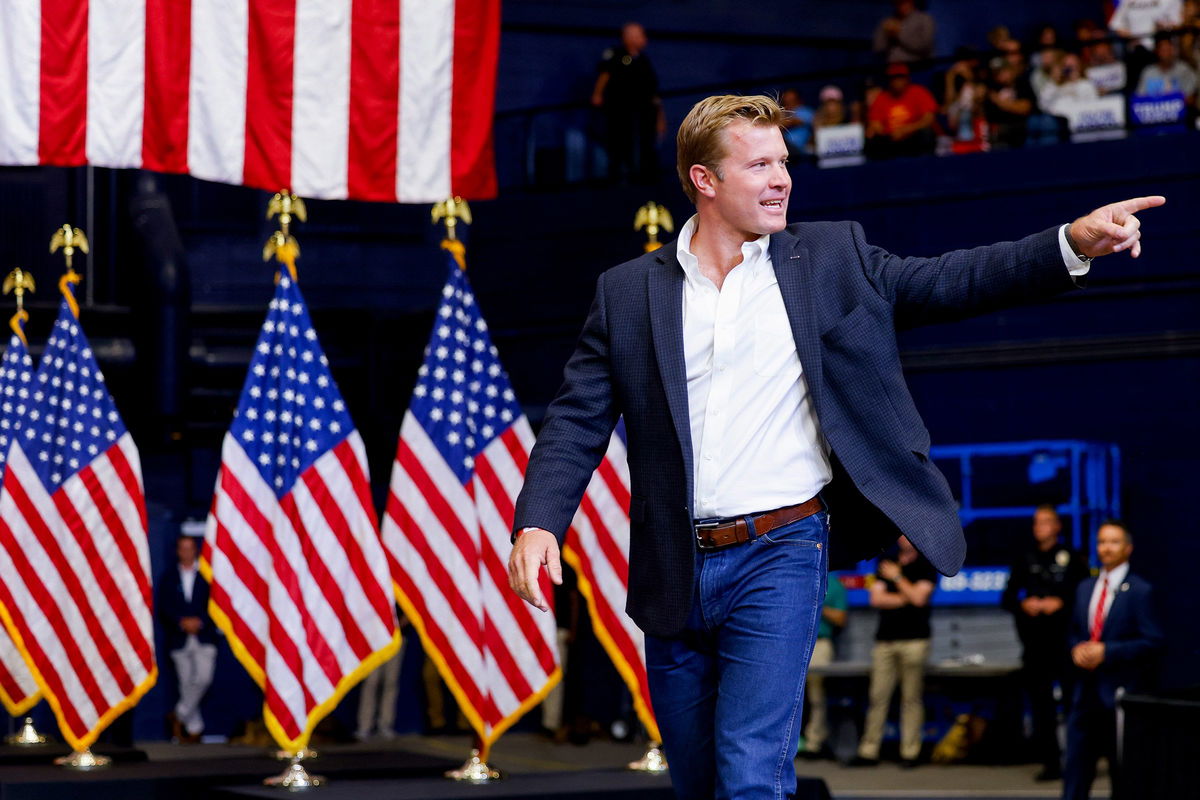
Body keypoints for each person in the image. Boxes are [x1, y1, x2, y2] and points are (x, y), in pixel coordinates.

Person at [507, 92, 1163, 799]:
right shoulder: (628, 293)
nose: (782, 178)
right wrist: (540, 518)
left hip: (783, 552)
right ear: (704, 179)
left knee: (751, 773)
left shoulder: (830, 257)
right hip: (673, 566)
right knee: (697, 782)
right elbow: (576, 418)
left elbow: (951, 279)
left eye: (784, 162)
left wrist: (1068, 242)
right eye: (759, 165)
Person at [1062, 521, 1164, 800]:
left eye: (1113, 542)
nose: (1106, 548)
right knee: (1075, 772)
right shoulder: (1085, 587)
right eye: (1101, 542)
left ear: (1128, 548)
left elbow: (1153, 641)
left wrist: (1108, 651)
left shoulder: (1141, 590)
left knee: (1124, 774)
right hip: (1084, 695)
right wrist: (1076, 650)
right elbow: (1073, 631)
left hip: (1119, 695)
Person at [1001, 505, 1090, 781]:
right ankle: (1051, 763)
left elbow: (1085, 597)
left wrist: (1060, 604)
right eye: (1036, 522)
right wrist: (1024, 603)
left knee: (1075, 706)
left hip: (1065, 645)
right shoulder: (1024, 558)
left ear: (1057, 526)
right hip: (1035, 646)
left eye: (1046, 521)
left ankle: (1080, 760)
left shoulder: (1073, 559)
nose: (1040, 527)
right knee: (1042, 709)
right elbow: (1007, 598)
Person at [850, 536, 937, 768]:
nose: (903, 536)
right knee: (877, 697)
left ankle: (910, 752)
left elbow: (919, 598)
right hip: (885, 641)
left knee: (911, 698)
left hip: (915, 640)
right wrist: (905, 596)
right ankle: (868, 751)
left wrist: (897, 578)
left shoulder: (927, 564)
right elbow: (876, 599)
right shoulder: (886, 560)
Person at [157, 534, 218, 743]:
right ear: (177, 551)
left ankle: (179, 715)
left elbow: (216, 603)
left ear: (196, 550)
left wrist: (199, 621)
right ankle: (194, 730)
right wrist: (181, 622)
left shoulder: (207, 575)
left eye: (190, 548)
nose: (186, 552)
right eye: (182, 548)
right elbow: (163, 606)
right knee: (185, 683)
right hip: (179, 638)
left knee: (203, 678)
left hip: (204, 636)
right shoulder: (168, 577)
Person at [592, 22, 666, 184]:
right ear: (628, 37)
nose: (643, 39)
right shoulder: (615, 54)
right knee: (619, 145)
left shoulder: (644, 60)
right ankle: (618, 178)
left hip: (644, 113)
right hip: (620, 112)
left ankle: (646, 178)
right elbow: (605, 75)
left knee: (645, 147)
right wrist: (597, 94)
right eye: (639, 35)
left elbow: (653, 93)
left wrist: (660, 118)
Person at [798, 575, 848, 759]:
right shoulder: (797, 578)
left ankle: (814, 742)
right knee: (789, 696)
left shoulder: (834, 584)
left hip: (820, 643)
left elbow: (841, 618)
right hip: (793, 642)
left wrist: (816, 604)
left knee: (816, 696)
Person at [866, 62, 938, 159]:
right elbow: (875, 123)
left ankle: (926, 165)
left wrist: (906, 130)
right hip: (891, 139)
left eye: (900, 77)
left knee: (927, 133)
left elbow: (928, 119)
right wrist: (888, 133)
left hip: (913, 136)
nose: (897, 81)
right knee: (871, 138)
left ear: (907, 78)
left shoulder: (919, 92)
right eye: (894, 78)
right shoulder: (881, 98)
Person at [356, 613, 407, 740]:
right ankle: (365, 725)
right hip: (374, 637)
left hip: (396, 637)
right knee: (371, 682)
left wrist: (395, 627)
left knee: (391, 682)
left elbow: (409, 610)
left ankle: (385, 724)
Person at [1135, 34, 1198, 103]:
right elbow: (1140, 98)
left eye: (1169, 50)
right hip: (1154, 111)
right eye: (1163, 50)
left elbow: (1191, 97)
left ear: (1173, 50)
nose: (1166, 54)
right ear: (1157, 51)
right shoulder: (1148, 72)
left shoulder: (1184, 69)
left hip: (1179, 112)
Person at [872, 0, 935, 64]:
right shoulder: (889, 21)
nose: (901, 6)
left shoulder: (925, 19)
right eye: (898, 3)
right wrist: (884, 33)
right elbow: (878, 48)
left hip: (917, 67)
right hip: (892, 67)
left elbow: (925, 48)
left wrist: (898, 35)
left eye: (904, 2)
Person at [779, 88, 815, 157]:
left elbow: (795, 121)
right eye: (787, 100)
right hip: (784, 148)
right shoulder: (781, 113)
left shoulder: (806, 111)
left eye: (792, 100)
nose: (789, 102)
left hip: (801, 148)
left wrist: (783, 122)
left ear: (798, 100)